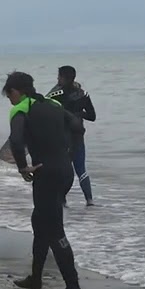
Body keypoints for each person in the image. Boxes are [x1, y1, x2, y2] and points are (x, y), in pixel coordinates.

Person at [2, 71, 84, 289]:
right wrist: (67, 151)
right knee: (40, 221)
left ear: (15, 92)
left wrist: (22, 168)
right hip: (65, 171)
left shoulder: (21, 109)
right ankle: (35, 279)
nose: (10, 101)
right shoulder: (54, 104)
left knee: (54, 229)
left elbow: (17, 142)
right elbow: (77, 125)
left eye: (9, 96)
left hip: (45, 173)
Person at [46, 65, 97, 207]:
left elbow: (44, 110)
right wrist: (79, 114)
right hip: (78, 135)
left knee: (64, 170)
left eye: (58, 76)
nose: (57, 79)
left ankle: (62, 200)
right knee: (81, 169)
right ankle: (90, 200)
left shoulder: (56, 94)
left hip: (62, 138)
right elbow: (92, 116)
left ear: (63, 78)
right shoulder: (83, 94)